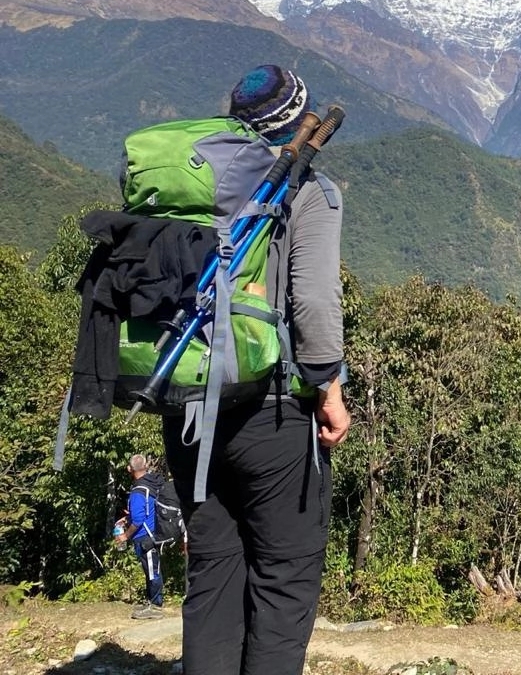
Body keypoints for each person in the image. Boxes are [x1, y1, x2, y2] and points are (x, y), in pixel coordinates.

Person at [161, 65, 350, 675]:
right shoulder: (307, 193)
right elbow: (314, 304)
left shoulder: (194, 185)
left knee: (213, 575)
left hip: (189, 408)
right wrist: (329, 390)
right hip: (271, 415)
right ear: (304, 118)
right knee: (284, 581)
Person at [115, 454, 165, 620]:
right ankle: (151, 601)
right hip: (154, 533)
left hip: (146, 538)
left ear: (130, 469)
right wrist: (128, 518)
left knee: (152, 572)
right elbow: (146, 511)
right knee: (151, 570)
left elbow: (138, 521)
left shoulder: (138, 491)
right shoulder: (152, 485)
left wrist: (125, 536)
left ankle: (156, 606)